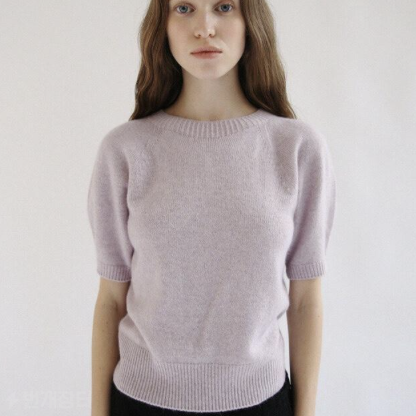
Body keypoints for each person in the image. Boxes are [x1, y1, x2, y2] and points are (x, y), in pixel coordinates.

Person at [88, 1, 337, 415]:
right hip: (140, 400)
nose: (205, 27)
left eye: (223, 6)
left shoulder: (297, 148)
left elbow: (306, 298)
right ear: (162, 25)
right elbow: (111, 299)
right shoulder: (125, 150)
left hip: (262, 400)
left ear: (250, 21)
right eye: (184, 8)